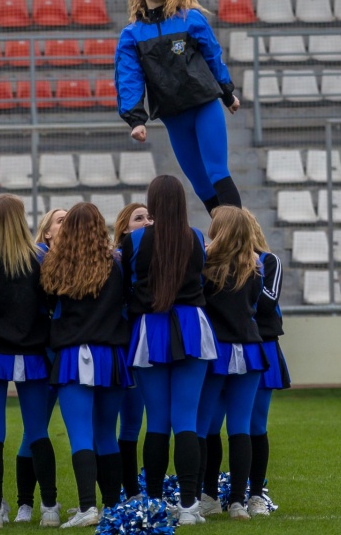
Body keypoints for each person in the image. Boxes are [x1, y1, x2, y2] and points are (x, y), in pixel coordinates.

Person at [121, 175, 216, 525]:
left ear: (153, 202)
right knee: (186, 420)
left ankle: (156, 505)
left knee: (157, 421)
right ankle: (189, 507)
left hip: (152, 328)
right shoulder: (195, 237)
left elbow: (125, 284)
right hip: (191, 326)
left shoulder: (135, 240)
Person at [115, 0, 242, 214]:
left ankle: (241, 234)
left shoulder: (190, 18)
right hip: (173, 116)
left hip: (204, 105)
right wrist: (136, 119)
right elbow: (128, 77)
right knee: (201, 184)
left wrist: (227, 94)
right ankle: (222, 233)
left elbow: (212, 55)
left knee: (217, 171)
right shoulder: (131, 35)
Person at [0, 195, 61, 528]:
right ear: (20, 220)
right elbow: (52, 304)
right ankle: (49, 508)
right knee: (37, 431)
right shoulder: (39, 258)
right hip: (33, 354)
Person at [41, 202, 132, 528]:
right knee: (107, 434)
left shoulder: (56, 265)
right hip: (111, 356)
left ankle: (87, 508)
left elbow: (48, 306)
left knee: (81, 434)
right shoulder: (117, 265)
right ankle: (111, 506)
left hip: (72, 356)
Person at [195, 206, 267, 522]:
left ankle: (206, 495)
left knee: (202, 425)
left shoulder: (206, 265)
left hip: (217, 350)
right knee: (240, 426)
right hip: (249, 348)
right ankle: (238, 501)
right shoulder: (256, 265)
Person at [13, 206, 67, 522]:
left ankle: (91, 503)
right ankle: (26, 503)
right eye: (61, 220)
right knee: (35, 427)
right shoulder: (36, 258)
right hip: (43, 353)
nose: (67, 224)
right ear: (46, 232)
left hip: (70, 354)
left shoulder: (85, 259)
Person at [242, 209, 289, 517]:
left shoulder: (269, 261)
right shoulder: (213, 263)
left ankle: (256, 495)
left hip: (261, 347)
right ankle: (210, 495)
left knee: (255, 424)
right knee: (210, 425)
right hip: (224, 347)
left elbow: (268, 303)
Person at [112, 203, 153, 501]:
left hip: (141, 348)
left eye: (150, 217)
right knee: (107, 426)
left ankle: (134, 491)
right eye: (139, 218)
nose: (148, 221)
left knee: (133, 424)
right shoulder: (114, 258)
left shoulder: (157, 256)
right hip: (116, 348)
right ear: (124, 228)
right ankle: (112, 494)